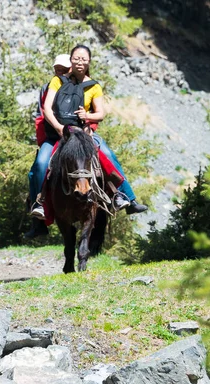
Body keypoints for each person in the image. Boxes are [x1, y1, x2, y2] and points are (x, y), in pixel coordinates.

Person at [34, 44, 147, 219]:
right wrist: (58, 127)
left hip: (81, 134)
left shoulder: (94, 86)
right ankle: (38, 204)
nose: (80, 62)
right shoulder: (57, 81)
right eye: (76, 58)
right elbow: (47, 108)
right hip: (57, 133)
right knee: (41, 163)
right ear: (71, 60)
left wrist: (87, 116)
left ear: (89, 62)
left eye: (83, 59)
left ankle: (125, 197)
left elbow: (101, 113)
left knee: (107, 155)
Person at [24, 54, 71, 239]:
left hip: (77, 134)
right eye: (57, 69)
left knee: (102, 157)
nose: (59, 72)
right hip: (53, 137)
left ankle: (118, 195)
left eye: (63, 69)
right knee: (38, 167)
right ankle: (39, 215)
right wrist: (43, 140)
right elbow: (41, 116)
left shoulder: (79, 86)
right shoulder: (47, 88)